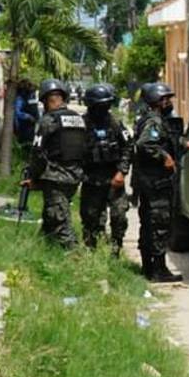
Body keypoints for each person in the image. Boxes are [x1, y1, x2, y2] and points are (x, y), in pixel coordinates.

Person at [25, 78, 86, 248]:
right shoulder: (78, 119)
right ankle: (44, 248)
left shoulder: (49, 120)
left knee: (60, 221)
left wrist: (33, 177)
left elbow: (38, 152)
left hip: (55, 177)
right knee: (50, 216)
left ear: (46, 100)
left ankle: (77, 258)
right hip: (74, 176)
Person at [131, 82, 181, 282]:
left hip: (148, 181)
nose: (169, 102)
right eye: (166, 99)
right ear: (158, 101)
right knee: (159, 223)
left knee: (148, 223)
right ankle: (158, 270)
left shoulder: (154, 120)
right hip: (156, 182)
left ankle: (148, 268)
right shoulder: (155, 121)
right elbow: (145, 144)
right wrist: (164, 157)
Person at [80, 84, 131, 256]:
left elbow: (127, 148)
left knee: (119, 216)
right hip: (91, 179)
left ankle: (116, 249)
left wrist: (121, 172)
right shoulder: (82, 125)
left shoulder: (115, 123)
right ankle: (91, 251)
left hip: (113, 179)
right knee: (91, 218)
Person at [13, 80, 39, 157]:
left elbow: (35, 108)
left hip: (31, 127)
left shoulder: (30, 96)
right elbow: (17, 112)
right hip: (23, 127)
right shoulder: (20, 98)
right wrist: (28, 117)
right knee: (25, 146)